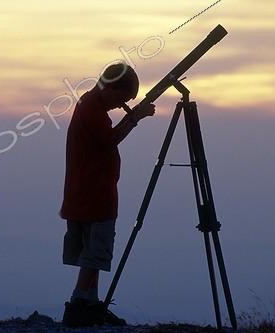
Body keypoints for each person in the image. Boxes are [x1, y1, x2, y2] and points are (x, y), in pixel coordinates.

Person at [60, 63, 155, 327]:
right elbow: (110, 139)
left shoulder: (90, 106)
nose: (119, 106)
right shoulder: (93, 109)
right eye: (121, 99)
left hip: (85, 191)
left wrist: (132, 115)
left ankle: (91, 302)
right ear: (111, 88)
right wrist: (135, 117)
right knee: (96, 252)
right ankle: (79, 302)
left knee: (92, 250)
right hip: (95, 193)